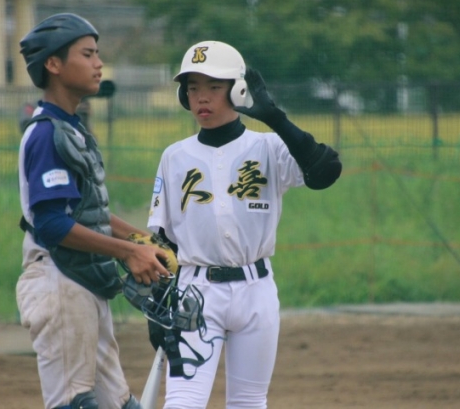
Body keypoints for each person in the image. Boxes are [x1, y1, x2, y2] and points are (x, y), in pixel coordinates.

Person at [146, 41, 342, 408]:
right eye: (193, 88)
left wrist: (277, 120)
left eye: (213, 86)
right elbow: (162, 240)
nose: (202, 97)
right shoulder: (175, 156)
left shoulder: (269, 147)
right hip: (195, 293)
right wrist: (158, 305)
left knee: (249, 402)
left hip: (257, 291)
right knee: (183, 402)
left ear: (237, 90)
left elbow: (326, 171)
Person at [16, 12, 169, 409]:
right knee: (74, 403)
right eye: (88, 54)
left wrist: (142, 241)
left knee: (120, 404)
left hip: (81, 281)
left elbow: (88, 213)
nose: (99, 63)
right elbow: (52, 224)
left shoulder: (72, 129)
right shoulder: (47, 133)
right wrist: (128, 252)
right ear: (54, 64)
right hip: (58, 280)